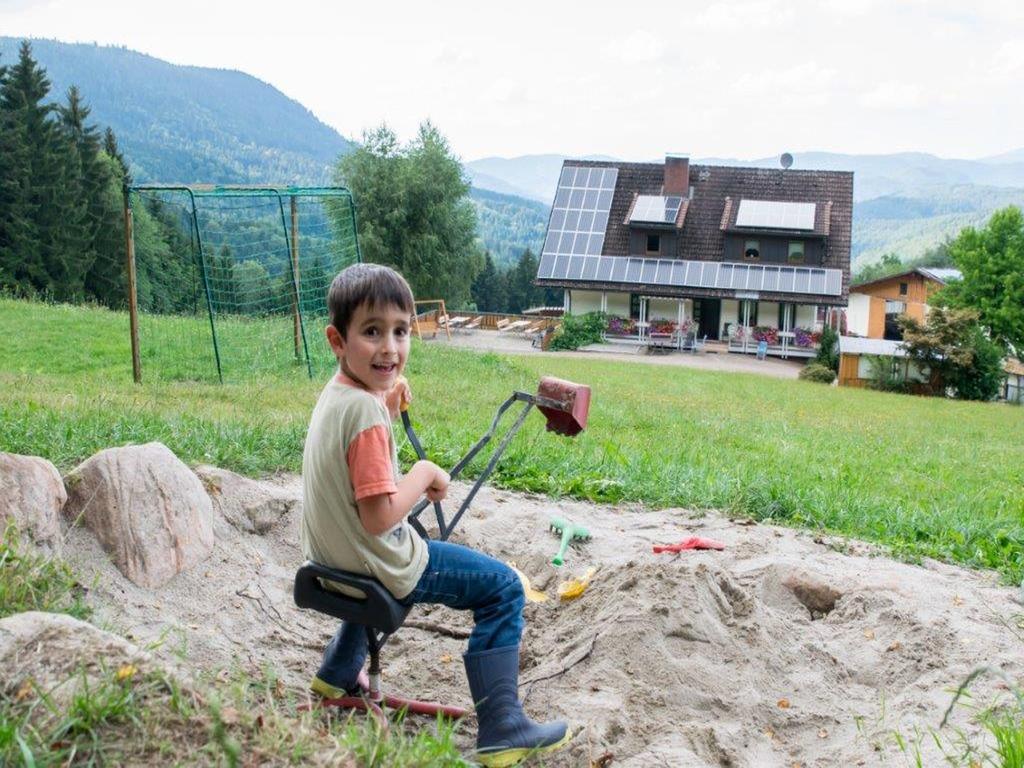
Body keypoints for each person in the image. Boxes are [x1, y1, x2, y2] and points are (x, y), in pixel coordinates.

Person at [301, 263, 569, 767]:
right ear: (338, 340)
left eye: (401, 332)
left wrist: (384, 395)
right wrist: (424, 472)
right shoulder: (364, 415)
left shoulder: (341, 395)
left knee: (396, 562)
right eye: (372, 332)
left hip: (331, 559)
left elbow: (362, 457)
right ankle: (502, 727)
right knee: (503, 589)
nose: (390, 349)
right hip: (376, 561)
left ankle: (337, 672)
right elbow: (380, 517)